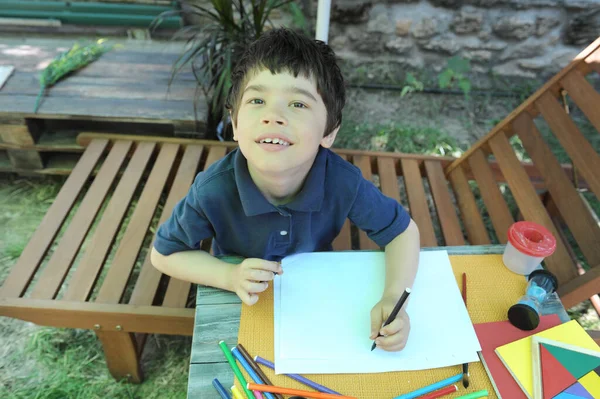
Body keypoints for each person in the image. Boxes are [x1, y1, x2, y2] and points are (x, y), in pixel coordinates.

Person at [151, 28, 420, 352]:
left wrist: (394, 298)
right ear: (235, 124)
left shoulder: (342, 182)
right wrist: (230, 276)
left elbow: (402, 232)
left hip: (317, 292)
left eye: (297, 103)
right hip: (240, 296)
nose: (273, 116)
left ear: (329, 132)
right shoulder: (213, 190)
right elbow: (164, 253)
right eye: (257, 100)